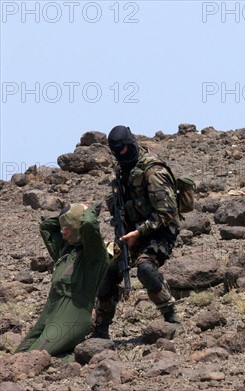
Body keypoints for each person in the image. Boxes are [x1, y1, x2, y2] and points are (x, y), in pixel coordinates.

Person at [93, 125, 181, 339]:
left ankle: (171, 317)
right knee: (106, 270)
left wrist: (139, 233)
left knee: (145, 268)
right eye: (115, 152)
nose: (120, 155)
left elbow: (168, 211)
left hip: (159, 230)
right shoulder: (122, 169)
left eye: (122, 150)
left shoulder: (153, 171)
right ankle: (101, 329)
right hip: (129, 233)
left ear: (131, 144)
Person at [16, 203, 109, 361]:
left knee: (33, 358)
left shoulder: (94, 256)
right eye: (62, 228)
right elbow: (45, 227)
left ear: (77, 228)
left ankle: (78, 357)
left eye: (67, 229)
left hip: (72, 317)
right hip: (50, 314)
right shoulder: (66, 251)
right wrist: (68, 214)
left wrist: (87, 211)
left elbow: (88, 224)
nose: (63, 233)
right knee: (19, 353)